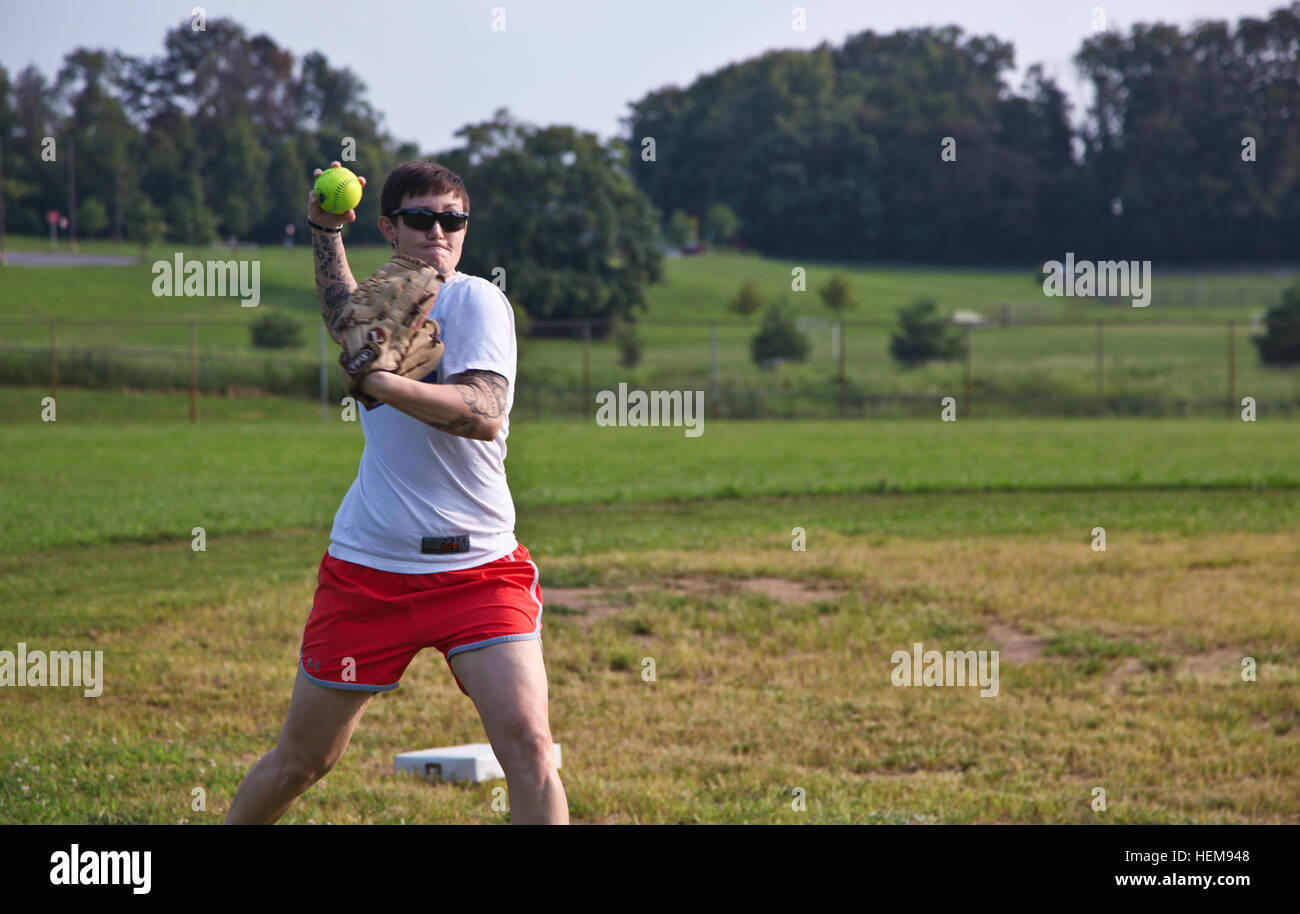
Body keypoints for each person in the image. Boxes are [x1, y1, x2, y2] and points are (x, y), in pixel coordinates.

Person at [226, 159, 567, 825]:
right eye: (421, 218)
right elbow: (344, 317)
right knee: (303, 759)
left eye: (453, 219)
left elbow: (482, 411)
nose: (439, 232)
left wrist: (379, 382)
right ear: (388, 227)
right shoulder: (383, 302)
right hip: (368, 569)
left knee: (529, 748)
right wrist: (325, 231)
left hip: (478, 570)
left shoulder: (476, 301)